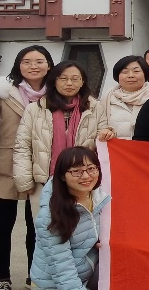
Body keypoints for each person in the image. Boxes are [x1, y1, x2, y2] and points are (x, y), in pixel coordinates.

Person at [0, 44, 53, 290]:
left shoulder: (56, 93)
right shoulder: (1, 93)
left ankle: (34, 275)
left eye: (39, 61)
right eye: (26, 61)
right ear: (18, 66)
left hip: (42, 166)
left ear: (49, 65)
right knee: (3, 224)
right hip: (4, 165)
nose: (33, 66)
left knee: (37, 225)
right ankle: (3, 278)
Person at [29, 146, 114, 290]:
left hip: (87, 270)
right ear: (62, 176)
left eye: (91, 169)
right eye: (76, 171)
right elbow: (62, 271)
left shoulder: (100, 197)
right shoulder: (51, 217)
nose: (86, 176)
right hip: (54, 283)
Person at [13, 61, 99, 221]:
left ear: (82, 82)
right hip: (44, 182)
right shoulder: (35, 109)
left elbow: (102, 143)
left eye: (75, 79)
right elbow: (22, 146)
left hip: (83, 182)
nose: (69, 83)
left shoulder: (95, 109)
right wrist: (24, 180)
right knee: (45, 228)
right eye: (63, 78)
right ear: (54, 81)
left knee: (81, 228)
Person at [94, 56, 149, 143]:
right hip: (118, 150)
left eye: (136, 71)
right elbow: (99, 126)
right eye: (125, 72)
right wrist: (106, 132)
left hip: (148, 149)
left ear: (145, 74)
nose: (131, 75)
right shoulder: (108, 97)